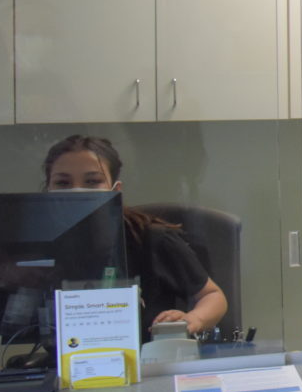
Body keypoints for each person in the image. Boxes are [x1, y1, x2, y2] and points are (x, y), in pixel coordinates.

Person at [42, 135, 228, 339]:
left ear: (115, 189)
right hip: (60, 363)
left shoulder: (152, 238)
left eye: (92, 181)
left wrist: (194, 319)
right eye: (63, 183)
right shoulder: (38, 245)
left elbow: (213, 296)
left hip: (147, 361)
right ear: (48, 191)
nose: (77, 192)